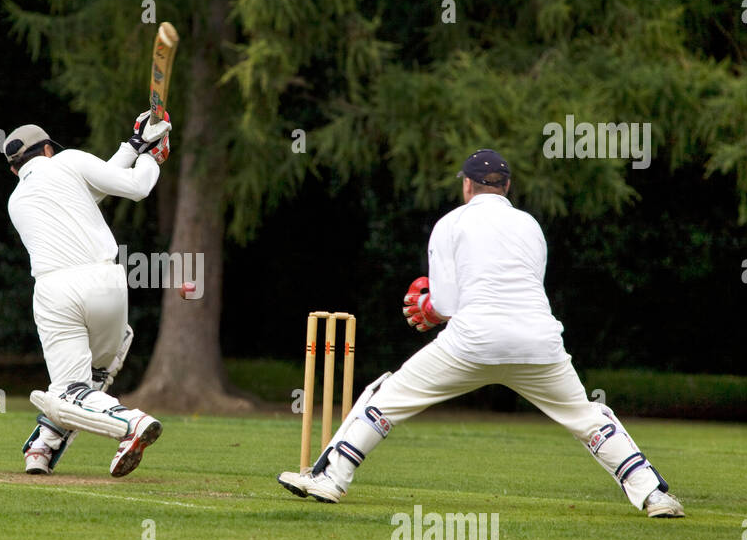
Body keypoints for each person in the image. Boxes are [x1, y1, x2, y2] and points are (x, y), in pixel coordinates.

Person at [278, 149, 685, 518]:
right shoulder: (530, 225)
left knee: (388, 397)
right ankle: (655, 495)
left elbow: (446, 305)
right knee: (586, 417)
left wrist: (425, 309)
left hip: (473, 341)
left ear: (467, 184)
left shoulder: (451, 223)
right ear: (507, 186)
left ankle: (331, 478)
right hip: (538, 342)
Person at [6, 111, 170, 477]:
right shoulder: (69, 161)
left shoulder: (16, 202)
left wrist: (135, 147)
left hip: (56, 291)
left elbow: (91, 190)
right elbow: (131, 187)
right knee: (95, 373)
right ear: (48, 149)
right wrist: (148, 154)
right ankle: (43, 445)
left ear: (14, 170)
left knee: (68, 391)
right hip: (107, 282)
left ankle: (130, 423)